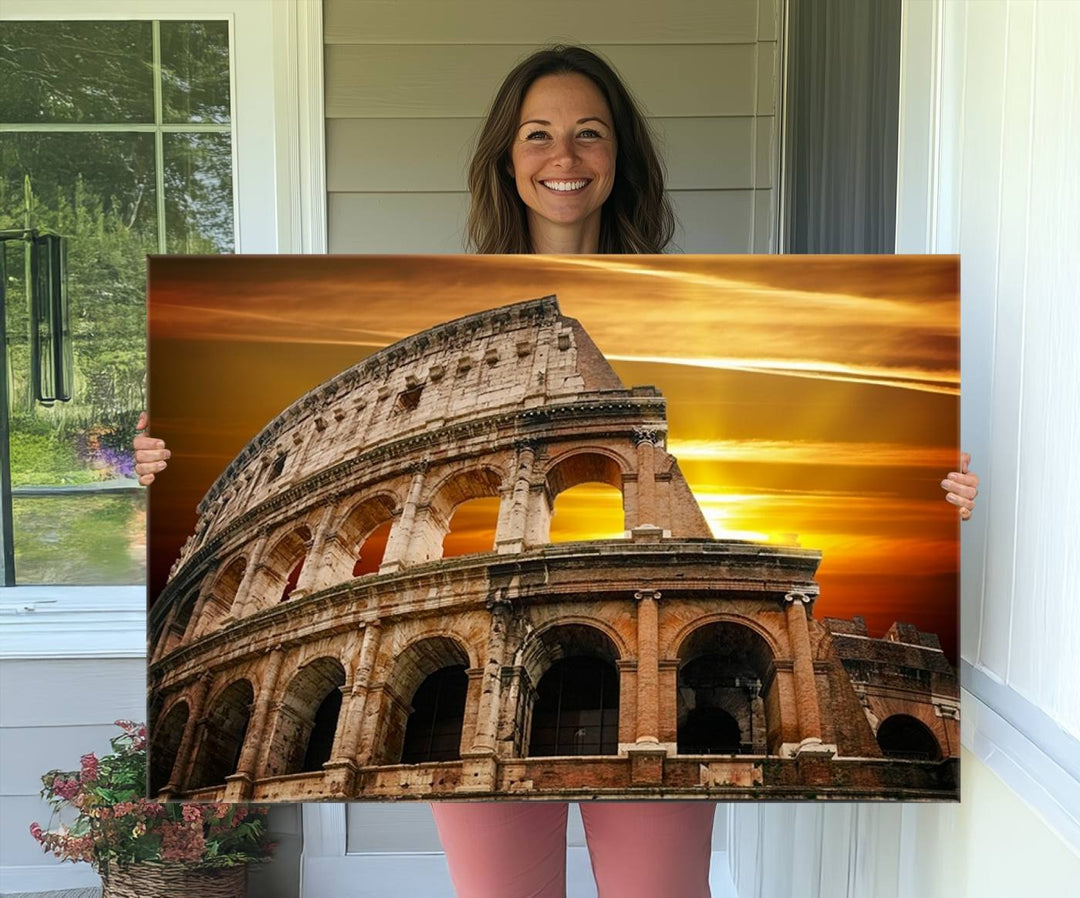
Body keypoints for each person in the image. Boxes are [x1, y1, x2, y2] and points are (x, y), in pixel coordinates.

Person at [135, 45, 979, 898]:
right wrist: (157, 473)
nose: (564, 158)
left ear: (622, 157)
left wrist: (953, 498)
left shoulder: (715, 273)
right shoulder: (438, 275)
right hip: (457, 625)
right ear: (506, 157)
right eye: (537, 135)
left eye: (590, 134)